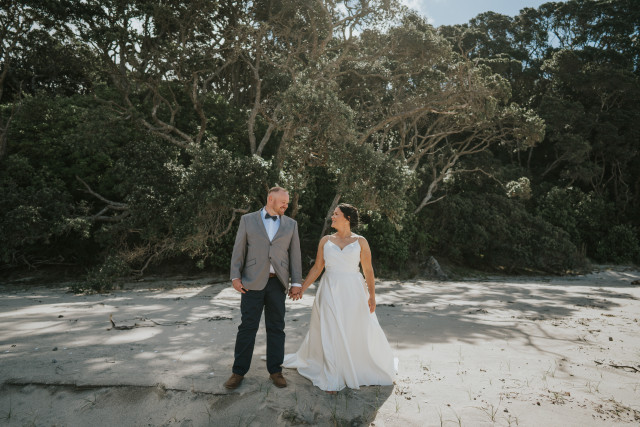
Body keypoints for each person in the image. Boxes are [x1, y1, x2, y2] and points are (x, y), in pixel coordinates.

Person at [283, 203, 396, 393]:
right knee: (330, 329)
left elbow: (368, 270)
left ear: (347, 218)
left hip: (354, 291)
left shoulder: (361, 241)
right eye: (333, 214)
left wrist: (372, 296)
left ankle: (352, 366)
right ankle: (332, 375)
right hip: (329, 288)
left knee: (352, 327)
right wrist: (301, 288)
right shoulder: (326, 240)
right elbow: (317, 268)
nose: (332, 217)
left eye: (336, 214)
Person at [224, 187, 303, 390]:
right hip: (251, 281)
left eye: (287, 202)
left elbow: (295, 255)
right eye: (283, 202)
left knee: (276, 327)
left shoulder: (291, 224)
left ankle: (275, 371)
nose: (286, 205)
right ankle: (238, 372)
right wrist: (235, 276)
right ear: (270, 199)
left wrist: (296, 283)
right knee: (247, 327)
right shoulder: (247, 220)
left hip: (278, 282)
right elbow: (239, 249)